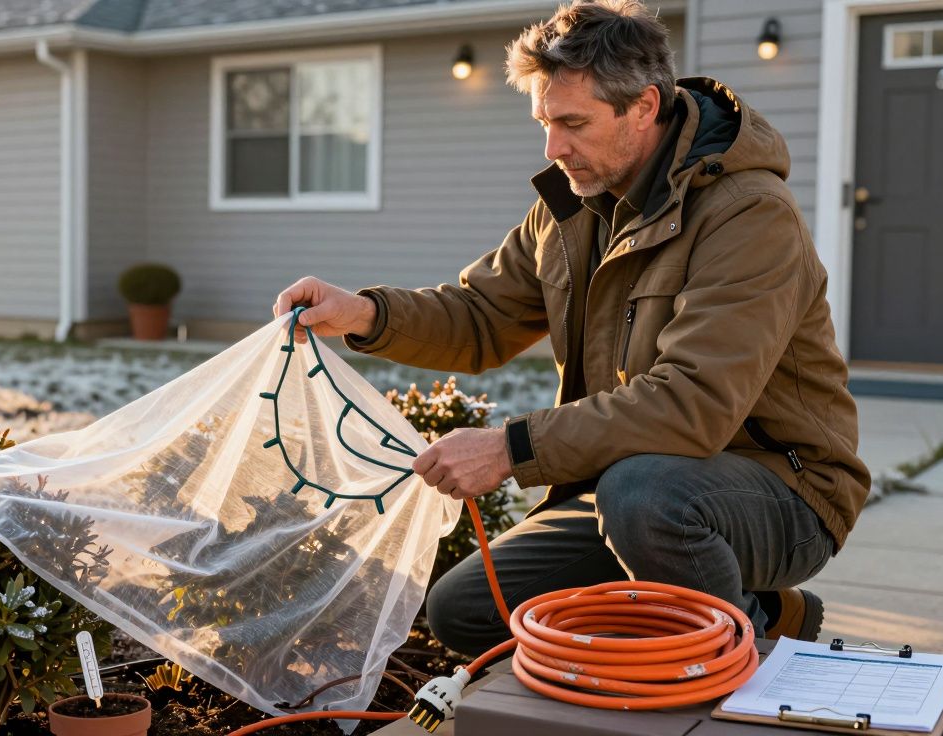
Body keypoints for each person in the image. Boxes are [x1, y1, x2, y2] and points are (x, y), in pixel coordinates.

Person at [272, 0, 869, 657]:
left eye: (573, 124)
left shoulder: (748, 215)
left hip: (782, 490)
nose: (554, 148)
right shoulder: (573, 204)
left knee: (645, 499)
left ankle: (733, 671)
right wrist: (365, 313)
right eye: (545, 123)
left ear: (644, 107)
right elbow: (481, 317)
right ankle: (755, 609)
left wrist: (508, 449)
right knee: (466, 611)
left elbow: (692, 406)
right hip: (628, 484)